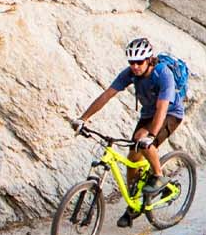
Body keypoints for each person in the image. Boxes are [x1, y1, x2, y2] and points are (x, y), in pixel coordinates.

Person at [76, 35, 189, 224]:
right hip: (148, 114)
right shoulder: (130, 73)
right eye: (132, 62)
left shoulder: (163, 74)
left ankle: (159, 177)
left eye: (139, 62)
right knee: (132, 159)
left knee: (142, 141)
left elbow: (162, 108)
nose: (135, 66)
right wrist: (83, 118)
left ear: (149, 60)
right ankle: (134, 203)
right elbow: (107, 95)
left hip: (170, 113)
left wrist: (151, 135)